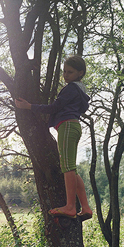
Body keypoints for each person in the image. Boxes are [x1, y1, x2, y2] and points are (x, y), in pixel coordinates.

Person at [13, 55, 92, 220]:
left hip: (67, 126)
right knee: (71, 168)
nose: (65, 75)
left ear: (80, 73)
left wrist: (29, 107)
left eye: (70, 72)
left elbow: (54, 107)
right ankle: (85, 207)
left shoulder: (71, 89)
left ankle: (70, 206)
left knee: (68, 168)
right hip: (73, 127)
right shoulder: (79, 90)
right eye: (64, 71)